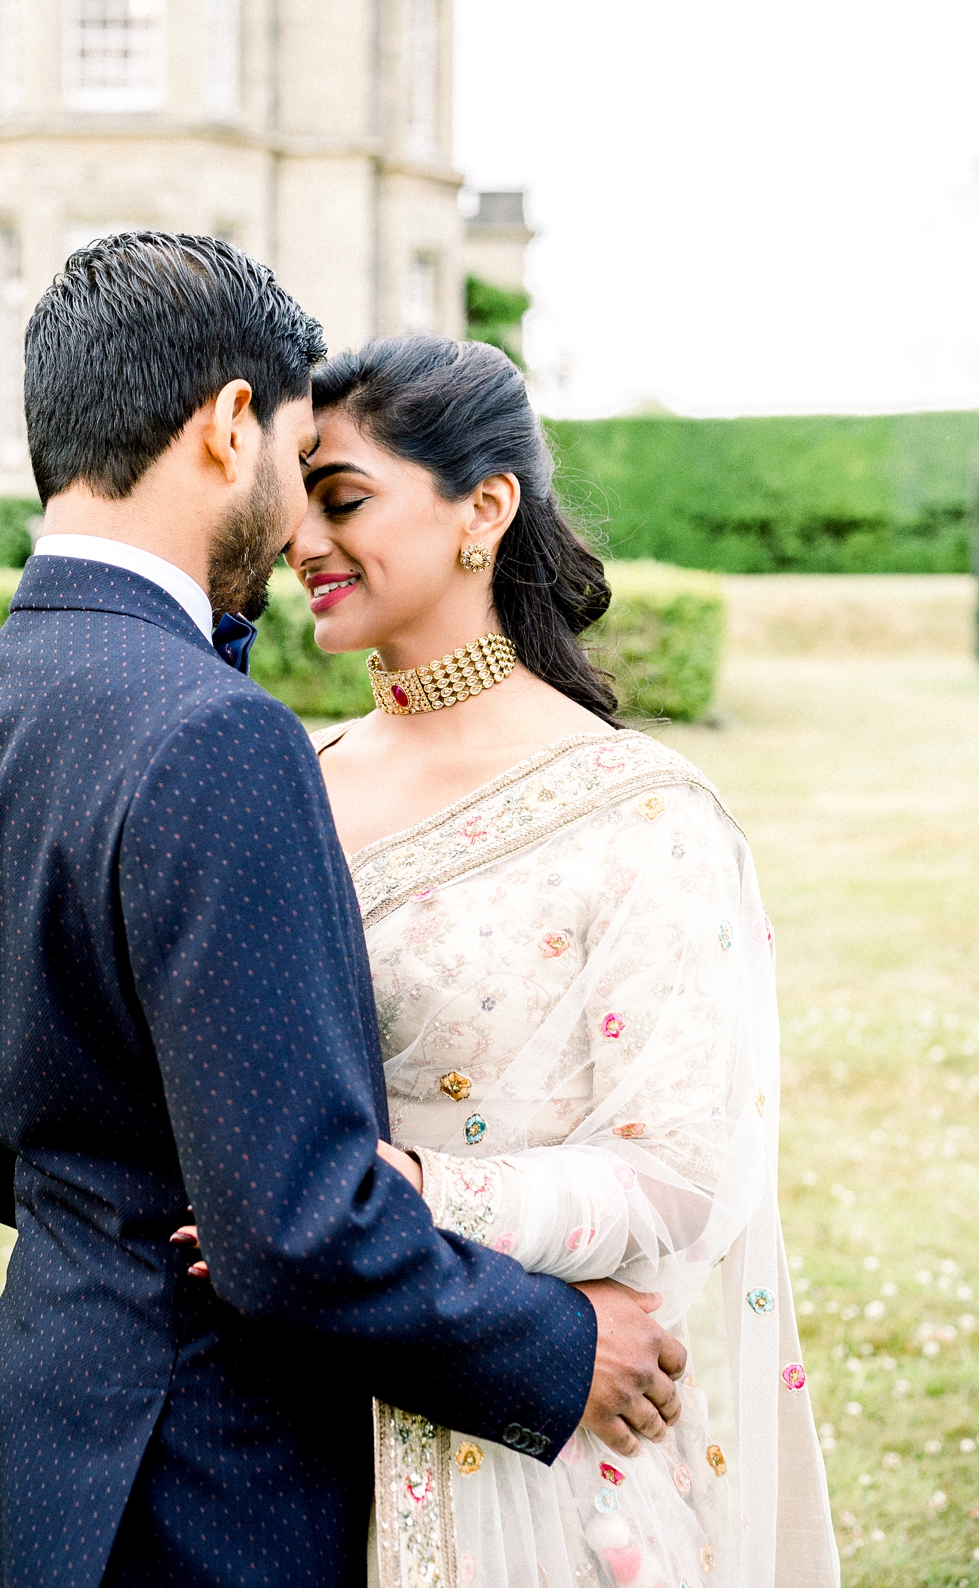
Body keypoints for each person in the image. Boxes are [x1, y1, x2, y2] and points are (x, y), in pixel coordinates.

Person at [0, 235, 688, 1588]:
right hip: (212, 1483)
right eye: (297, 454)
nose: (302, 519)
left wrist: (118, 1205)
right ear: (231, 423)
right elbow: (292, 1231)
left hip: (51, 1445)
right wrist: (562, 1346)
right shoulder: (219, 736)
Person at [287, 334, 840, 1588]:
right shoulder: (298, 779)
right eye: (294, 507)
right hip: (298, 1427)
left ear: (486, 508)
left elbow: (683, 1179)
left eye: (345, 501)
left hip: (545, 1457)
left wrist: (415, 1190)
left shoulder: (637, 814)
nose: (302, 545)